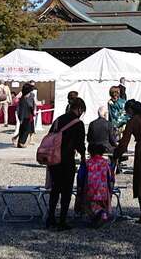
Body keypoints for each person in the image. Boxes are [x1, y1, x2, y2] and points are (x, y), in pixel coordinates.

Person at [46, 98, 86, 230]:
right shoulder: (78, 123)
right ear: (79, 109)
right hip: (67, 160)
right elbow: (80, 144)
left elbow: (50, 136)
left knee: (55, 189)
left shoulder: (58, 120)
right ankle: (62, 220)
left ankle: (50, 217)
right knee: (66, 191)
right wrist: (83, 156)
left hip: (54, 159)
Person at [84, 143, 116, 226]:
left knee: (87, 204)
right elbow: (111, 178)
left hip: (90, 191)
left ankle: (98, 216)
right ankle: (102, 215)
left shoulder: (88, 163)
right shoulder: (106, 163)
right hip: (103, 191)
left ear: (90, 152)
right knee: (102, 203)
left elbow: (81, 177)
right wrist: (110, 188)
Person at [15, 83, 36, 148]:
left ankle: (20, 142)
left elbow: (31, 106)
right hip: (24, 117)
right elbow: (21, 110)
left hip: (27, 116)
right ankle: (21, 143)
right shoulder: (23, 100)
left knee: (24, 130)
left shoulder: (25, 99)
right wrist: (21, 118)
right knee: (25, 130)